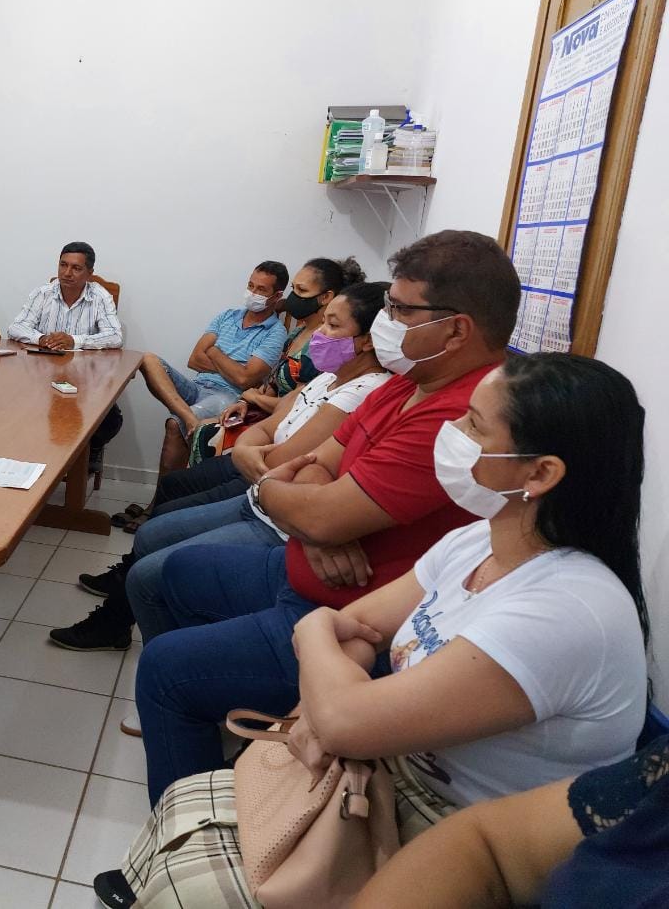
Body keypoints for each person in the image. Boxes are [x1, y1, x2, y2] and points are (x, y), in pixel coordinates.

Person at [97, 353, 651, 908]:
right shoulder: (481, 540)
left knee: (187, 883)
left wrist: (327, 668)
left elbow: (344, 704)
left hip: (461, 839)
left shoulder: (568, 610)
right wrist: (333, 680)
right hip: (385, 776)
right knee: (188, 806)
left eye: (473, 425)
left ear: (540, 473)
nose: (450, 431)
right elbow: (355, 626)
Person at [131, 229, 522, 801]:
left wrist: (313, 511)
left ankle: (188, 835)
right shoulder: (405, 384)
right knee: (162, 576)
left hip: (349, 611)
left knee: (166, 667)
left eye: (399, 309)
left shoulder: (457, 414)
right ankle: (215, 736)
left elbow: (318, 493)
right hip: (299, 565)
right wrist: (312, 517)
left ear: (456, 328)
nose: (385, 319)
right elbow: (317, 467)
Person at [50, 281, 391, 652]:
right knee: (157, 518)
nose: (320, 335)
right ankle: (126, 611)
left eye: (333, 326)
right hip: (257, 481)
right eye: (323, 323)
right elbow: (266, 422)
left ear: (368, 339)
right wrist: (249, 442)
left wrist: (251, 441)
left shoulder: (361, 391)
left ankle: (155, 644)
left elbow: (282, 454)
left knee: (154, 559)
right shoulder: (329, 375)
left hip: (270, 505)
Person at [354, 733, 669, 908]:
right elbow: (488, 847)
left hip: (427, 794)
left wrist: (317, 632)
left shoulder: (570, 624)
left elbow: (343, 721)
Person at [135, 262, 289, 478]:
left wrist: (215, 352)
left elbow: (245, 380)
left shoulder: (275, 333)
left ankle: (156, 506)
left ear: (276, 296)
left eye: (261, 289)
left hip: (228, 396)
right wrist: (232, 367)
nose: (252, 293)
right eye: (250, 285)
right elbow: (194, 360)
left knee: (173, 425)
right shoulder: (227, 316)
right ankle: (187, 415)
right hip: (197, 385)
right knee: (148, 359)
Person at [7, 240, 124, 471]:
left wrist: (74, 340)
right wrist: (40, 338)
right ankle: (38, 462)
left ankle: (88, 453)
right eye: (63, 265)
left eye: (76, 268)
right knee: (20, 413)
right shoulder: (43, 293)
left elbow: (114, 336)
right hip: (42, 380)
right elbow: (15, 327)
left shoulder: (100, 296)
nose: (67, 273)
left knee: (111, 420)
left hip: (85, 381)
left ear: (89, 273)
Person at [241, 256, 365, 415]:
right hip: (267, 413)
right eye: (293, 288)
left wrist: (254, 399)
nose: (293, 297)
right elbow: (274, 384)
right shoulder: (297, 332)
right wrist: (244, 402)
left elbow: (299, 406)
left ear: (326, 297)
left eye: (302, 290)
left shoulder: (324, 344)